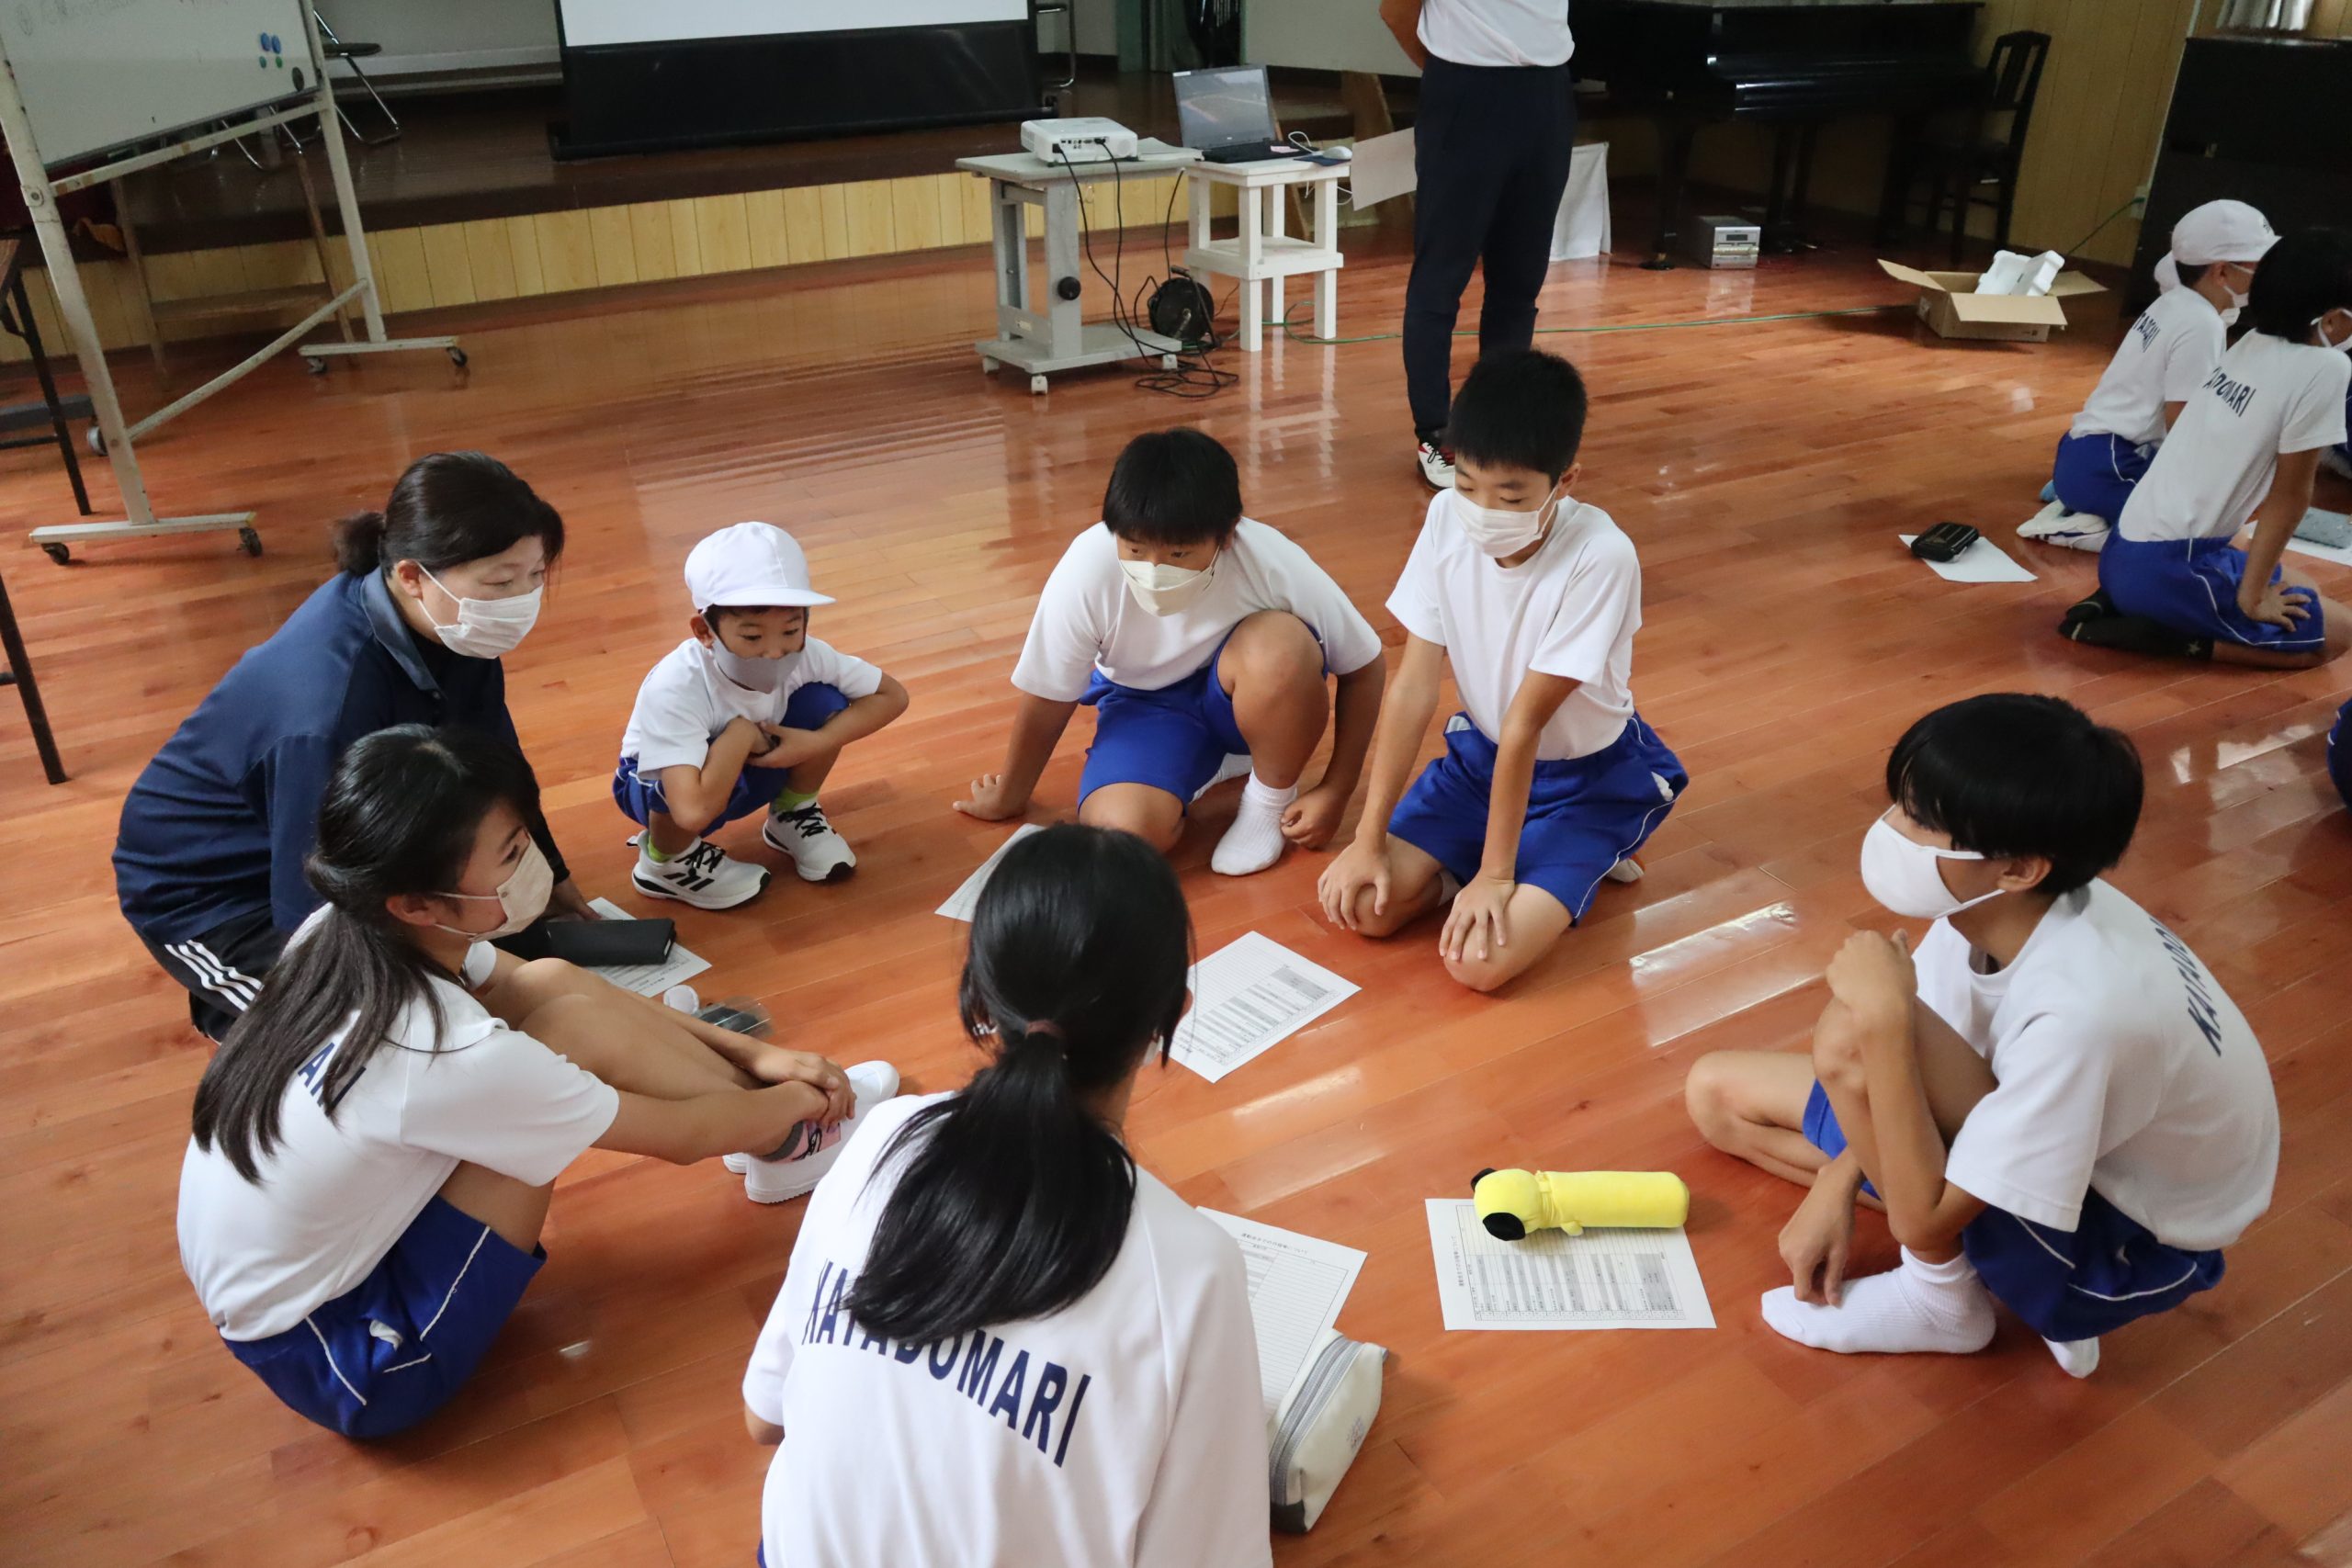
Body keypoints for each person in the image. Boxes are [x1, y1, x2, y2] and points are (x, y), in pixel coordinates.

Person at [177, 725, 899, 1439]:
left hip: (308, 1277)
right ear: (416, 901)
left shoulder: (342, 928)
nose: (532, 866)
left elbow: (547, 979)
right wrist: (809, 1092)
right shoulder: (442, 1051)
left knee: (553, 986)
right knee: (562, 1046)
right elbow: (683, 1137)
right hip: (354, 1356)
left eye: (524, 838)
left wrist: (758, 1057)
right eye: (510, 854)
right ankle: (796, 1135)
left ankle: (779, 1138)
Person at [1683, 694, 2278, 1380]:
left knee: (1852, 1038)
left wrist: (1882, 1020)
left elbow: (1922, 1213)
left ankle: (1942, 1302)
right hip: (2064, 1143)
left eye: (1921, 820)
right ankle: (1975, 1260)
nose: (1891, 830)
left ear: (2019, 867)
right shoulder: (2000, 907)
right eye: (1900, 804)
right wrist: (1835, 1182)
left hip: (2127, 1243)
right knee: (1716, 1095)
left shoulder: (2084, 1016)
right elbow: (1916, 1067)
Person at [741, 824, 1270, 1568]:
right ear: (1169, 1017)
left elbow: (764, 1418)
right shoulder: (1190, 1270)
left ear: (979, 995)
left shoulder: (881, 1138)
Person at [114, 452, 594, 1043]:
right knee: (370, 1030)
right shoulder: (327, 708)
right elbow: (312, 892)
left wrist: (551, 876)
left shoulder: (453, 625)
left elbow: (496, 768)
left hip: (352, 828)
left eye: (536, 575)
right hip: (219, 891)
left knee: (504, 968)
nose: (521, 599)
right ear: (413, 576)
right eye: (500, 582)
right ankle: (237, 1011)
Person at [1318, 348, 1684, 993]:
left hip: (1585, 781)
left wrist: (1496, 874)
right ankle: (1482, 867)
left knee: (1478, 966)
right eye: (1466, 485)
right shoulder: (1444, 519)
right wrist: (1367, 837)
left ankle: (1590, 850)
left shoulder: (1601, 556)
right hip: (1483, 762)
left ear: (1565, 482)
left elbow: (1525, 724)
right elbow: (1413, 686)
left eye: (1511, 495)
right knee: (1369, 908)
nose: (1482, 509)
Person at [956, 428, 1385, 877]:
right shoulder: (1086, 568)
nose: (1154, 569)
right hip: (1145, 706)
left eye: (1179, 553)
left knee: (1281, 647)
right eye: (1135, 549)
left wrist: (1336, 789)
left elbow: (1365, 666)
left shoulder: (1271, 559)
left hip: (1246, 692)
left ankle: (1268, 798)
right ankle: (1211, 763)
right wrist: (1012, 794)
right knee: (1123, 835)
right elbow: (1049, 693)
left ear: (1227, 535)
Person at [2064, 227, 2352, 667]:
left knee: (2304, 587)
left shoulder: (2250, 343)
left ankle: (2140, 605)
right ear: (2330, 321)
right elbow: (2291, 494)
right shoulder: (2327, 366)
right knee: (2337, 638)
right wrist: (2253, 598)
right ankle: (2161, 637)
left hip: (2128, 551)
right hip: (2168, 566)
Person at [616, 523, 910, 910]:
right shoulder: (676, 686)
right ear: (704, 631)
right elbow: (691, 811)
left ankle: (792, 812)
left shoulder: (809, 654)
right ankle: (666, 862)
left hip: (757, 761)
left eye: (791, 630)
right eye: (752, 637)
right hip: (672, 788)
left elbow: (892, 696)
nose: (775, 652)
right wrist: (739, 734)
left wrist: (817, 741)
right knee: (672, 776)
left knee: (825, 701)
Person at [1377, 0, 1577, 489]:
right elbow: (1395, 11)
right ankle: (1435, 433)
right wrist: (1451, 73)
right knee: (1441, 277)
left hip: (1547, 93)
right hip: (1465, 88)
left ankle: (1498, 426)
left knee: (1520, 280)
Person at [2040, 201, 2276, 541]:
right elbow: (2181, 421)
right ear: (2221, 272)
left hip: (2083, 455)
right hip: (2110, 465)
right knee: (2204, 528)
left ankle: (2081, 498)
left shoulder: (2175, 301)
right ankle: (2085, 527)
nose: (2268, 273)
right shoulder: (2201, 324)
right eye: (2261, 264)